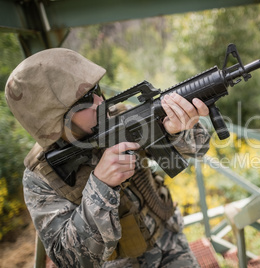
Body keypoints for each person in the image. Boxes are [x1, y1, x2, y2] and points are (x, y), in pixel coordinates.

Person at [5, 48, 211, 267]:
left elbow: (199, 147)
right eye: (84, 99)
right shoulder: (42, 176)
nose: (99, 101)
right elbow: (69, 258)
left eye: (96, 89)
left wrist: (175, 131)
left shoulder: (117, 115)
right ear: (54, 122)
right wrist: (101, 186)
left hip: (169, 241)